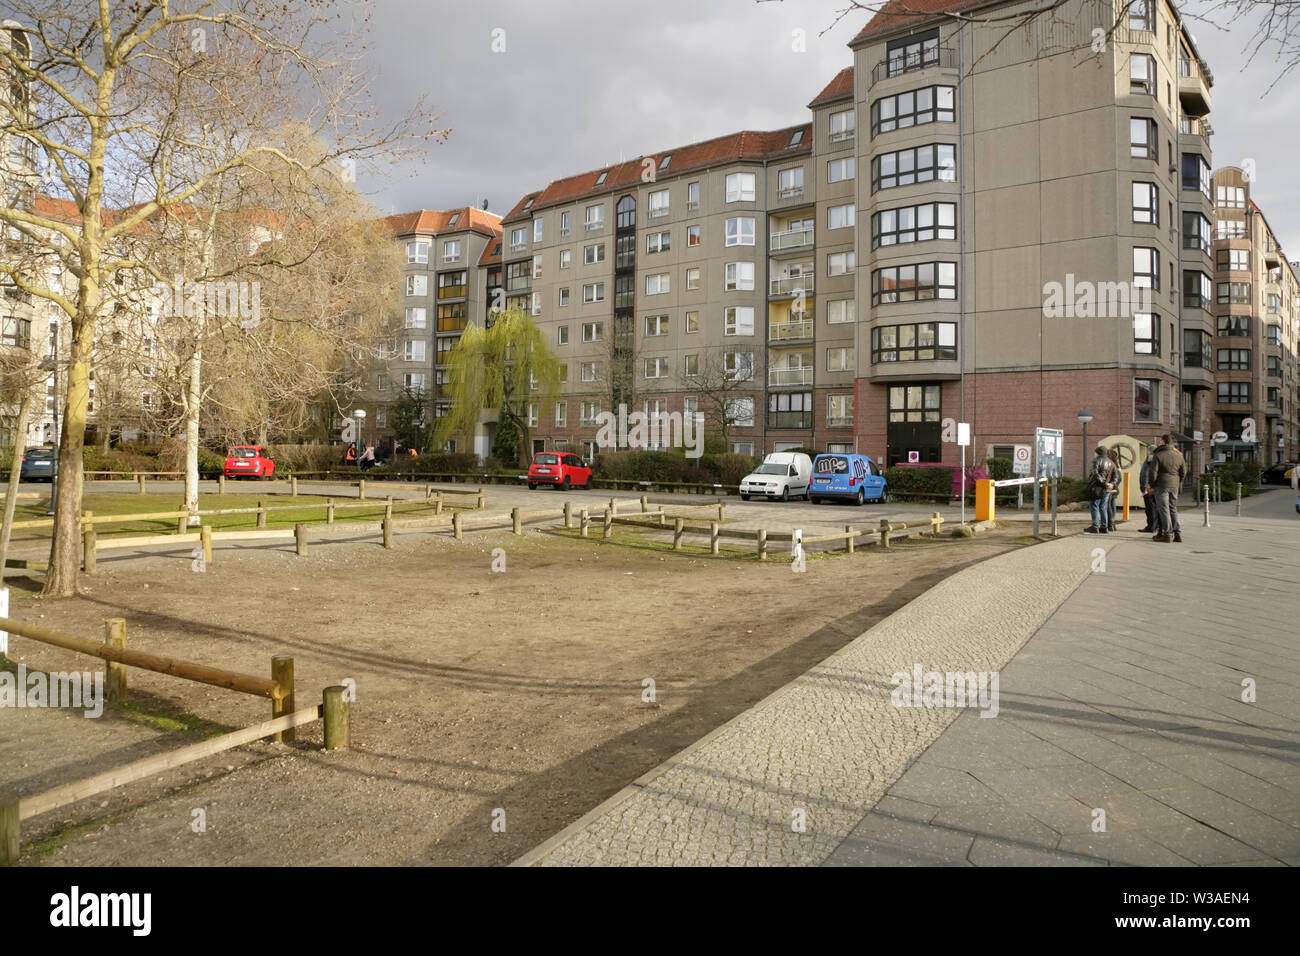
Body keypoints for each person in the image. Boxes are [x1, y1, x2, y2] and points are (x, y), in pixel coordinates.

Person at [1146, 433, 1186, 543]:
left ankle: (1167, 534)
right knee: (1173, 508)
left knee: (1164, 509)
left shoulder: (1158, 455)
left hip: (1161, 485)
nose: (1159, 442)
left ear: (1163, 441)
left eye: (1160, 441)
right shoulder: (1179, 455)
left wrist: (1152, 485)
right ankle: (1177, 534)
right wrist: (1178, 481)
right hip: (1174, 485)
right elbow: (1183, 472)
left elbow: (1153, 473)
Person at [1085, 445, 1117, 533]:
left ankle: (1095, 527)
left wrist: (1104, 483)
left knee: (1094, 506)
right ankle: (1104, 527)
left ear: (1098, 453)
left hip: (1097, 487)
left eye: (1095, 452)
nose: (1094, 454)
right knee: (1103, 507)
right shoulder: (1112, 463)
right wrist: (1112, 484)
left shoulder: (1096, 461)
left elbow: (1095, 474)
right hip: (1107, 489)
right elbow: (1116, 476)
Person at [1137, 443, 1157, 533]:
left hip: (1148, 488)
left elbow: (1145, 474)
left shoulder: (1150, 459)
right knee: (1154, 507)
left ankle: (1151, 526)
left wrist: (1144, 488)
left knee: (1150, 508)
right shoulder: (1156, 459)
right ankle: (1155, 526)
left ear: (1149, 451)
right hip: (1154, 487)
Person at [1105, 446, 1122, 532]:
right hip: (1115, 488)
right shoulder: (1117, 465)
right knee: (1112, 505)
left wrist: (1111, 485)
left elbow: (1118, 478)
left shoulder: (1111, 465)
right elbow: (1119, 479)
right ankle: (1113, 523)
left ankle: (1110, 524)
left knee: (1108, 505)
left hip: (1111, 488)